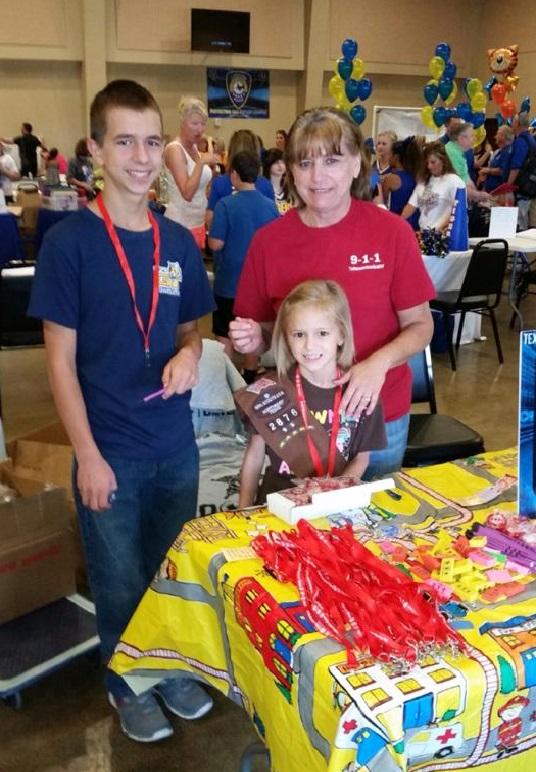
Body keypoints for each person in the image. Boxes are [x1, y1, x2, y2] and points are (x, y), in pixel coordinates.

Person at [28, 79, 215, 744]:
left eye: (149, 141)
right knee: (117, 577)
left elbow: (193, 330)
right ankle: (125, 682)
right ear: (96, 149)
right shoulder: (70, 244)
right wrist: (88, 457)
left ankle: (166, 668)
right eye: (124, 141)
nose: (140, 157)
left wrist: (191, 356)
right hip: (109, 449)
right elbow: (58, 362)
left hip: (174, 445)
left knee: (168, 570)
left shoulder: (178, 244)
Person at [229, 106, 435, 479]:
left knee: (376, 532)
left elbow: (421, 325)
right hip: (299, 425)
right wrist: (250, 339)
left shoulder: (391, 233)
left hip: (379, 416)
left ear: (356, 163)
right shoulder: (269, 243)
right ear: (290, 170)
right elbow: (263, 334)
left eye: (332, 160)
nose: (318, 176)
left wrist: (378, 364)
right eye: (305, 163)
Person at [236, 280, 386, 505]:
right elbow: (254, 457)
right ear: (286, 338)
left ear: (341, 335)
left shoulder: (361, 391)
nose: (309, 345)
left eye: (322, 333)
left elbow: (362, 458)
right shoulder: (270, 392)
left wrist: (334, 494)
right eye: (298, 334)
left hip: (334, 507)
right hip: (274, 507)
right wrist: (243, 510)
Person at [208, 150, 279, 381]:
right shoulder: (270, 205)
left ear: (234, 174)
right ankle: (249, 377)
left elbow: (216, 244)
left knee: (224, 333)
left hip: (228, 281)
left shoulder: (226, 205)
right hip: (258, 283)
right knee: (251, 332)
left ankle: (227, 381)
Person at [163, 96, 218, 249]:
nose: (199, 129)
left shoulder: (194, 148)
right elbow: (187, 193)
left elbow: (202, 186)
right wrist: (201, 163)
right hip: (180, 224)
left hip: (197, 222)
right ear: (182, 122)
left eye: (202, 124)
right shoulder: (175, 150)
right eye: (194, 123)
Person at [205, 129, 274, 230]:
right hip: (259, 242)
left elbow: (210, 222)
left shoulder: (219, 183)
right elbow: (272, 223)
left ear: (232, 151)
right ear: (256, 152)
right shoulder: (266, 185)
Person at [401, 142, 466, 232]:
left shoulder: (454, 181)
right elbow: (410, 206)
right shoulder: (423, 181)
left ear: (443, 160)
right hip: (423, 232)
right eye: (427, 163)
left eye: (433, 162)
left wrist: (436, 230)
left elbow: (457, 211)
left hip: (442, 235)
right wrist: (398, 222)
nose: (429, 166)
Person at [445, 123, 489, 204]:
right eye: (472, 135)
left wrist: (476, 196)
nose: (475, 138)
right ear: (461, 139)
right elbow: (458, 185)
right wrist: (478, 195)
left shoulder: (459, 152)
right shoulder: (451, 153)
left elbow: (466, 178)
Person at [381, 137, 421, 227]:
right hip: (414, 225)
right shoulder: (417, 176)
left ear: (396, 157)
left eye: (390, 155)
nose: (389, 158)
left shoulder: (391, 179)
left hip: (395, 224)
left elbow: (382, 204)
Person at [508, 112, 536, 229]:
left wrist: (508, 186)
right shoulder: (530, 139)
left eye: (513, 121)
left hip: (522, 189)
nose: (511, 124)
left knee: (520, 224)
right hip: (530, 187)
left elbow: (516, 166)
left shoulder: (521, 141)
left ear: (518, 123)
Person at [478, 125, 515, 193]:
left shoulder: (508, 151)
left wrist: (487, 170)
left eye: (497, 134)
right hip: (490, 188)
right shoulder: (499, 151)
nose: (495, 137)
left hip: (497, 190)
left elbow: (502, 171)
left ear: (503, 136)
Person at [262, 147, 292, 214]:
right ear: (268, 165)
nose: (280, 165)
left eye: (282, 162)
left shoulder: (291, 187)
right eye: (276, 163)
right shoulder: (263, 188)